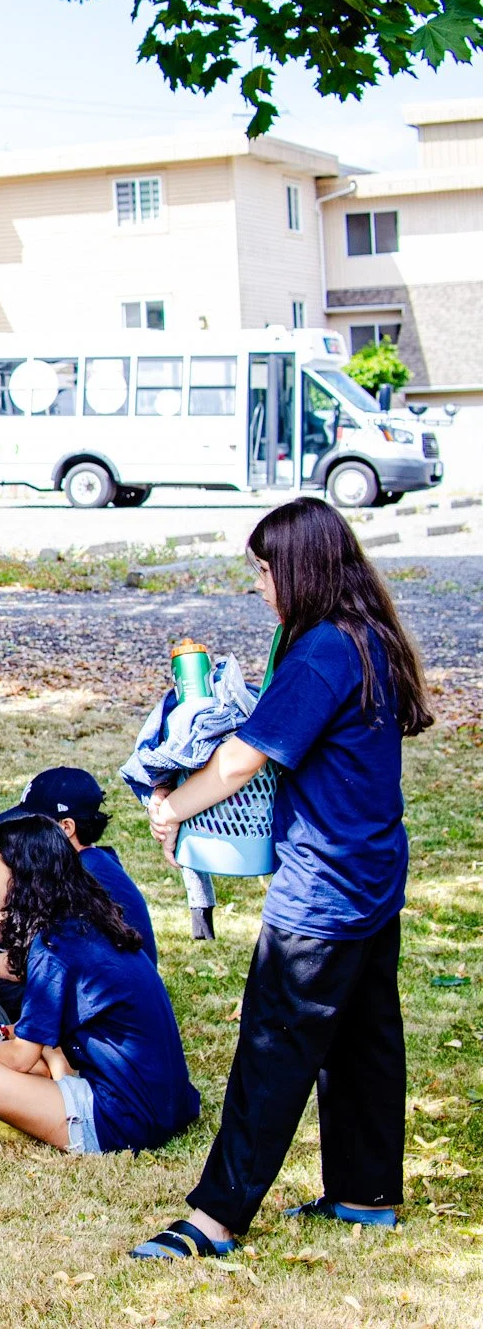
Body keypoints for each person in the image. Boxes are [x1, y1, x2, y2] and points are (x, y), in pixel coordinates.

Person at [134, 497, 432, 1261]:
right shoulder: (370, 637)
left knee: (272, 1047)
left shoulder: (322, 651)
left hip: (324, 891)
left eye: (265, 571)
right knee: (365, 1039)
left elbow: (242, 756)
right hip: (372, 874)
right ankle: (365, 1196)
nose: (260, 585)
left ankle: (215, 1219)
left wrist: (171, 805)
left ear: (299, 569)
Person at [0, 817, 199, 1155]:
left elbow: (19, 1058)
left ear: (20, 876)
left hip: (120, 1121)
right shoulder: (87, 924)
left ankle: (17, 1123)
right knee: (42, 1059)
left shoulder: (54, 947)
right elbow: (38, 1036)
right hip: (168, 1106)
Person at [0, 768, 156, 964]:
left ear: (66, 827)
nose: (23, 836)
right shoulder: (97, 860)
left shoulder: (76, 873)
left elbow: (31, 960)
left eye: (33, 829)